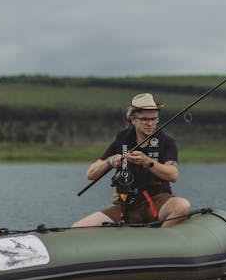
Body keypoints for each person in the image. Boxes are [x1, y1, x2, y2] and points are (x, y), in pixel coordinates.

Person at [73, 93, 191, 228]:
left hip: (158, 201)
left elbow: (173, 175)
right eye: (145, 119)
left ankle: (161, 241)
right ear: (133, 119)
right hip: (126, 206)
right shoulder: (121, 140)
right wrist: (110, 161)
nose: (150, 123)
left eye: (154, 119)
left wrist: (147, 162)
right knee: (77, 228)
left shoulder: (167, 141)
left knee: (182, 205)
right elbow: (91, 174)